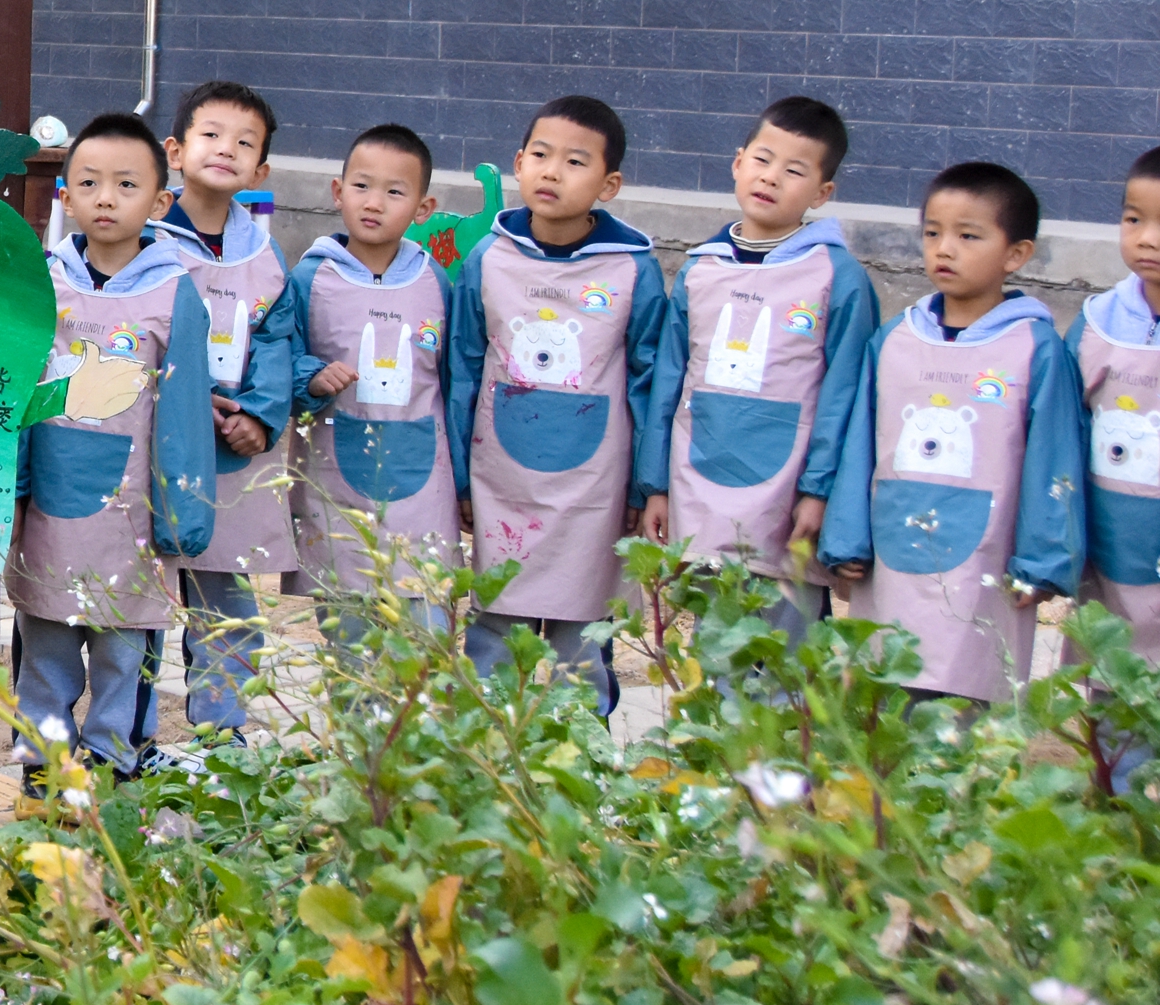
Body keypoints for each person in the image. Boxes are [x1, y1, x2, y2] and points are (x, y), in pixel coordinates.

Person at [822, 162, 1083, 704]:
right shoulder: (894, 338)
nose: (945, 248)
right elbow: (859, 445)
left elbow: (1053, 460)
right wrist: (846, 538)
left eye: (969, 235)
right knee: (884, 709)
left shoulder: (1034, 349)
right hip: (891, 560)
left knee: (963, 716)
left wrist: (1041, 563)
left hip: (986, 571)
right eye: (933, 232)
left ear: (1016, 255)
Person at [444, 95, 667, 718]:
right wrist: (461, 475)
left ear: (610, 183)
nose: (552, 171)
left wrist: (648, 485)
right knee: (495, 626)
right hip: (501, 481)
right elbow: (462, 368)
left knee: (581, 636)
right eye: (540, 155)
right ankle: (487, 754)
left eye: (575, 161)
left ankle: (581, 764)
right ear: (517, 162)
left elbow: (651, 380)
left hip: (593, 488)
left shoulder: (631, 270)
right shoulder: (489, 259)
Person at [10, 113, 214, 770]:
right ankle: (44, 771)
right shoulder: (43, 281)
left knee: (123, 651)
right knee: (44, 646)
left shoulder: (175, 292)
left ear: (159, 202)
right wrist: (13, 493)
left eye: (126, 185)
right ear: (63, 195)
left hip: (134, 514)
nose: (105, 198)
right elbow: (21, 391)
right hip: (50, 502)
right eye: (89, 183)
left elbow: (183, 415)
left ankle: (111, 764)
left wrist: (184, 514)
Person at [640, 97, 878, 643]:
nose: (771, 178)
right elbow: (668, 385)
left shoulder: (836, 278)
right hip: (701, 489)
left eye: (794, 171)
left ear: (821, 194)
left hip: (787, 504)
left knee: (785, 665)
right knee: (715, 648)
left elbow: (845, 396)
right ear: (738, 162)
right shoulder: (702, 269)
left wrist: (820, 493)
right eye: (763, 160)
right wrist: (655, 485)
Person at [269, 123, 457, 645]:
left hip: (423, 488)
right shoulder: (310, 279)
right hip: (335, 483)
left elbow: (452, 380)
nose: (374, 203)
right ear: (337, 191)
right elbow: (282, 358)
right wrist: (312, 377)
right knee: (350, 639)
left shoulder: (435, 283)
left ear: (423, 208)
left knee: (427, 639)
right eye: (361, 186)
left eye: (395, 192)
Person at [153, 82, 296, 734]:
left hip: (233, 448)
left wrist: (260, 414)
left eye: (245, 143)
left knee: (226, 603)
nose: (226, 150)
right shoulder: (145, 236)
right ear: (176, 150)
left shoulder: (263, 255)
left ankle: (223, 733)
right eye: (211, 135)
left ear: (260, 170)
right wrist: (182, 400)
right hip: (154, 445)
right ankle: (128, 743)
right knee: (140, 601)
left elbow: (276, 339)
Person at [1074, 147, 1160, 670]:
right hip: (1113, 533)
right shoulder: (1096, 323)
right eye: (1134, 219)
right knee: (1115, 664)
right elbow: (1065, 430)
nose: (1147, 237)